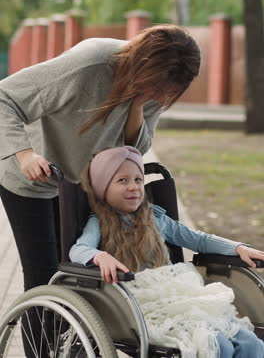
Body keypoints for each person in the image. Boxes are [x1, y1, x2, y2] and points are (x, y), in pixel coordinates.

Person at [0, 25, 200, 354]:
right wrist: (25, 154)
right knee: (43, 273)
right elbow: (6, 97)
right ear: (144, 63)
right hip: (31, 176)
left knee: (79, 273)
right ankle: (41, 351)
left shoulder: (156, 86)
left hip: (79, 183)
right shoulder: (88, 65)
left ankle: (69, 346)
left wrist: (137, 104)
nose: (161, 96)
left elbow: (135, 148)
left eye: (166, 92)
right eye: (157, 87)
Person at [69, 146, 264, 358]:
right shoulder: (98, 223)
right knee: (217, 346)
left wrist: (238, 248)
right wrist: (100, 256)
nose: (133, 187)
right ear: (102, 188)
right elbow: (78, 250)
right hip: (142, 306)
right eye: (122, 181)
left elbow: (197, 239)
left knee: (248, 342)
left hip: (182, 297)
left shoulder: (155, 218)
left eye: (138, 180)